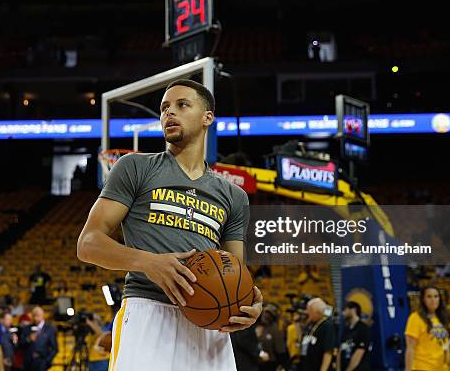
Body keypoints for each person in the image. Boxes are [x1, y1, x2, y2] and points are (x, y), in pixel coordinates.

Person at [77, 79, 263, 370]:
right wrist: (149, 263)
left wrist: (248, 304)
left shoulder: (234, 196)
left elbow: (234, 269)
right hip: (148, 311)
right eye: (164, 108)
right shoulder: (135, 167)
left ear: (207, 117)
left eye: (181, 105)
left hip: (209, 327)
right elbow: (88, 244)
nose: (169, 113)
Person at [405, 285, 450, 371]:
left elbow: (446, 347)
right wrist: (408, 369)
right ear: (423, 299)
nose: (433, 300)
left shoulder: (442, 318)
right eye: (429, 296)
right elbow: (410, 348)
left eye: (436, 296)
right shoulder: (415, 318)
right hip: (423, 367)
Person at [300, 298, 335, 371]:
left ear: (317, 311)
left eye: (309, 311)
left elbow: (328, 352)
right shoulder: (311, 324)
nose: (307, 313)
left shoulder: (327, 326)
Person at [337, 301, 371, 371]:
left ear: (353, 310)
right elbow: (340, 349)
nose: (343, 313)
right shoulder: (346, 329)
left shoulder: (363, 328)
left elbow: (359, 354)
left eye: (345, 310)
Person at [21, 306, 57, 371]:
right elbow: (20, 344)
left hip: (42, 363)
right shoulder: (27, 329)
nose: (36, 318)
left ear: (43, 315)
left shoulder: (50, 329)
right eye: (34, 315)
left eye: (38, 315)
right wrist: (28, 339)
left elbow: (54, 349)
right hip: (28, 364)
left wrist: (46, 361)